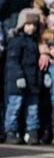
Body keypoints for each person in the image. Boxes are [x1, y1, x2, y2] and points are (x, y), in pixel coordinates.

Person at [4, 8, 44, 144]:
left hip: (33, 82)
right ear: (21, 25)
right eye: (28, 24)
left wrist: (43, 77)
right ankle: (11, 131)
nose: (31, 28)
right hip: (18, 83)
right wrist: (18, 76)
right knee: (14, 106)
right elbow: (13, 62)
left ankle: (32, 132)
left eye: (33, 25)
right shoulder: (16, 41)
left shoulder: (34, 42)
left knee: (33, 109)